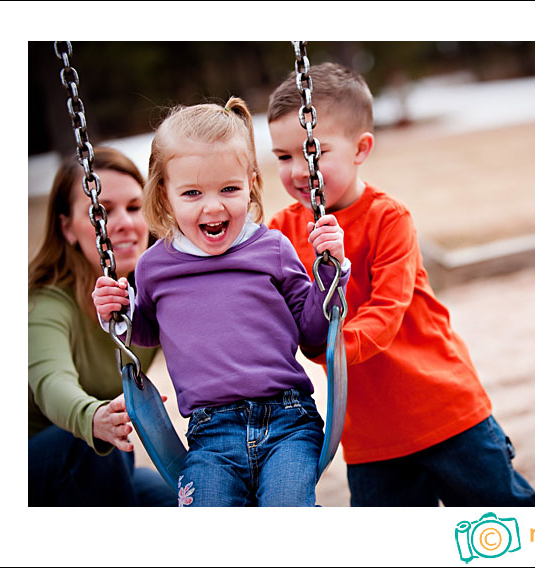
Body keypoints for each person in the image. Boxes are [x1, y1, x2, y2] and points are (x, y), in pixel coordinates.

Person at [267, 63, 535, 506]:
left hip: (444, 410)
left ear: (361, 149)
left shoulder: (388, 218)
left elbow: (385, 312)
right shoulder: (280, 232)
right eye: (283, 157)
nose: (299, 171)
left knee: (500, 522)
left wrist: (332, 346)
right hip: (368, 434)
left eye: (312, 152)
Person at [92, 97, 349, 507]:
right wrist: (117, 311)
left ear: (250, 182)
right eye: (192, 193)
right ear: (164, 193)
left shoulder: (272, 249)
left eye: (229, 188)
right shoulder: (155, 266)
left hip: (288, 421)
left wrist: (331, 273)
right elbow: (142, 332)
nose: (213, 206)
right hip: (210, 435)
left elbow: (314, 332)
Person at [28, 146, 176, 506]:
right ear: (66, 228)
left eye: (134, 207)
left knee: (180, 499)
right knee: (92, 446)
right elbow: (51, 382)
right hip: (35, 467)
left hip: (107, 465)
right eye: (101, 211)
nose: (124, 223)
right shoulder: (47, 304)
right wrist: (92, 417)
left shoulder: (152, 291)